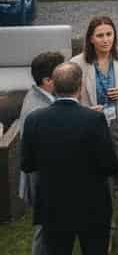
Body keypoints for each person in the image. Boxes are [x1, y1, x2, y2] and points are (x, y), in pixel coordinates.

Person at [20, 61, 118, 255]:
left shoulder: (34, 119)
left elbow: (27, 164)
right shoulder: (94, 120)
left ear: (54, 86)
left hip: (52, 207)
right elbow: (110, 165)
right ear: (80, 86)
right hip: (92, 207)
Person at [70, 16, 118, 245]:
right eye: (100, 35)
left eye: (109, 34)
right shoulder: (77, 63)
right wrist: (86, 110)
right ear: (91, 39)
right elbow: (69, 96)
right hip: (94, 130)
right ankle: (106, 230)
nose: (106, 40)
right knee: (101, 181)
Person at [19, 51, 64, 255]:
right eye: (61, 74)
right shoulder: (37, 111)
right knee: (45, 232)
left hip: (43, 180)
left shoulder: (42, 97)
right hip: (42, 182)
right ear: (47, 80)